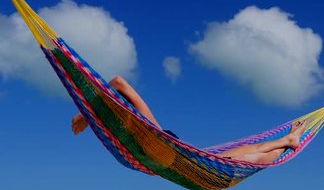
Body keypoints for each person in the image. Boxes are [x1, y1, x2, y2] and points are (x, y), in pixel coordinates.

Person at [71, 76, 307, 165]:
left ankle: (288, 140)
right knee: (246, 154)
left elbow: (119, 83)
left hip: (182, 156)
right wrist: (87, 117)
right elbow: (116, 93)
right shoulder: (124, 131)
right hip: (184, 159)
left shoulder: (148, 128)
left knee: (247, 156)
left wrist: (85, 114)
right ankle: (288, 141)